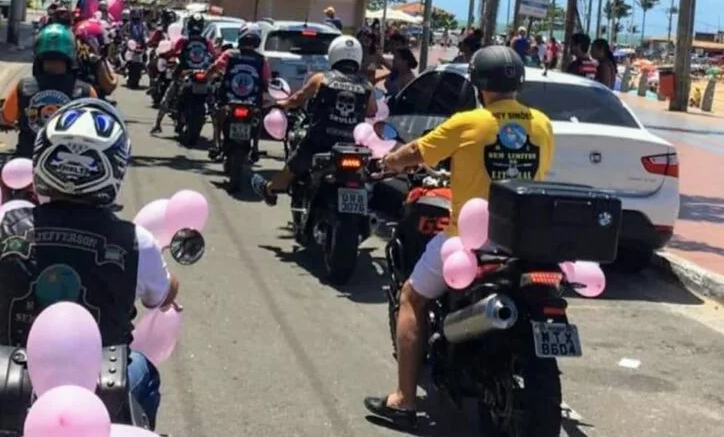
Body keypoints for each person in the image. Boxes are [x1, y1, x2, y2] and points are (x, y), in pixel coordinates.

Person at [0, 98, 180, 431]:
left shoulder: (6, 224)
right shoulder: (136, 241)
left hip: (0, 384)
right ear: (114, 168)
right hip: (102, 387)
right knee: (144, 371)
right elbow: (161, 296)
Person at [363, 46, 554, 427]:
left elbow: (418, 151)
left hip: (470, 240)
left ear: (478, 83)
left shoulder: (469, 121)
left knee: (412, 297)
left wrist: (386, 162)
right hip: (526, 242)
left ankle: (403, 400)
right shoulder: (542, 123)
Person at [251, 35, 378, 205]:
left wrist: (283, 104)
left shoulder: (322, 79)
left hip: (321, 141)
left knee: (293, 167)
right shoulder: (367, 85)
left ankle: (270, 189)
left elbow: (299, 98)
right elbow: (373, 111)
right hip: (352, 146)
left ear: (334, 54)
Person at [0, 23, 96, 158]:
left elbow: (6, 119)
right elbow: (94, 129)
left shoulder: (22, 86)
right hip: (68, 165)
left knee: (1, 174)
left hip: (28, 160)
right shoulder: (86, 91)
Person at [203, 23, 269, 161]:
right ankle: (255, 148)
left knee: (216, 115)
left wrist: (207, 75)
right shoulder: (261, 59)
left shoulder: (229, 54)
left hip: (228, 98)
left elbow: (215, 67)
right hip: (252, 101)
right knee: (258, 117)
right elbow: (266, 80)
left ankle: (217, 144)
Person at [150, 13, 216, 135]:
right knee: (212, 104)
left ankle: (158, 124)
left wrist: (164, 54)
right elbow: (214, 55)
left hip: (186, 74)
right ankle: (217, 134)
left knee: (168, 95)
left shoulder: (184, 41)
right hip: (202, 75)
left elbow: (173, 52)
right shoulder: (206, 42)